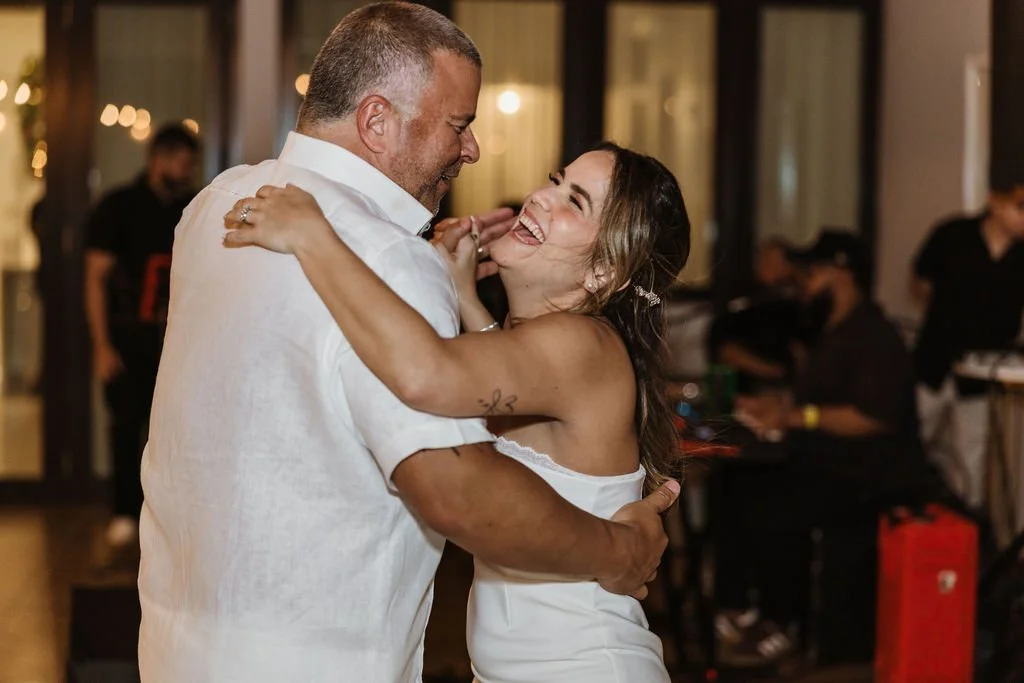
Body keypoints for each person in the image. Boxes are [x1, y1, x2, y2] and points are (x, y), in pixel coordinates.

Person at [139, 5, 677, 682]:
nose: (474, 149)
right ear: (376, 121)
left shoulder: (214, 206)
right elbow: (454, 486)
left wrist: (354, 250)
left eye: (574, 200)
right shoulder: (393, 262)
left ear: (607, 268)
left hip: (177, 641)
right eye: (459, 124)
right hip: (320, 659)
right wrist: (617, 548)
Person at [222, 139, 690, 683]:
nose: (541, 197)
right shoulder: (553, 345)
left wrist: (314, 238)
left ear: (605, 272)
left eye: (574, 202)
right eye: (555, 180)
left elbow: (426, 376)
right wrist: (464, 295)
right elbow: (516, 401)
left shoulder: (583, 346)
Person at [723, 231, 935, 663]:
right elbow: (813, 398)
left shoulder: (875, 337)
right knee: (738, 484)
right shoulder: (828, 332)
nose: (802, 282)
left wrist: (797, 417)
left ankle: (787, 624)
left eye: (811, 272)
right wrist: (775, 405)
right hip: (828, 461)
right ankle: (751, 607)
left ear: (842, 275)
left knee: (779, 506)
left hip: (872, 476)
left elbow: (871, 416)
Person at [84, 123, 199, 547]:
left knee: (175, 429)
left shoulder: (193, 205)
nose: (187, 171)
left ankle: (171, 518)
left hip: (179, 343)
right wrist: (101, 344)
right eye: (181, 162)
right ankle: (123, 512)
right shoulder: (117, 207)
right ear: (158, 159)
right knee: (126, 426)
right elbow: (94, 278)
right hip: (127, 339)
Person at [911, 180, 1024, 510]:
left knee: (971, 454)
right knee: (913, 437)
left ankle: (964, 526)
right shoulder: (953, 234)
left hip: (981, 371)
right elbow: (920, 279)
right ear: (995, 202)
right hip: (934, 359)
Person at [706, 237, 804, 393]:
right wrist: (772, 371)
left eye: (779, 262)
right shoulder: (743, 299)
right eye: (765, 260)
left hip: (786, 390)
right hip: (745, 388)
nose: (769, 267)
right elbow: (726, 349)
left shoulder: (798, 303)